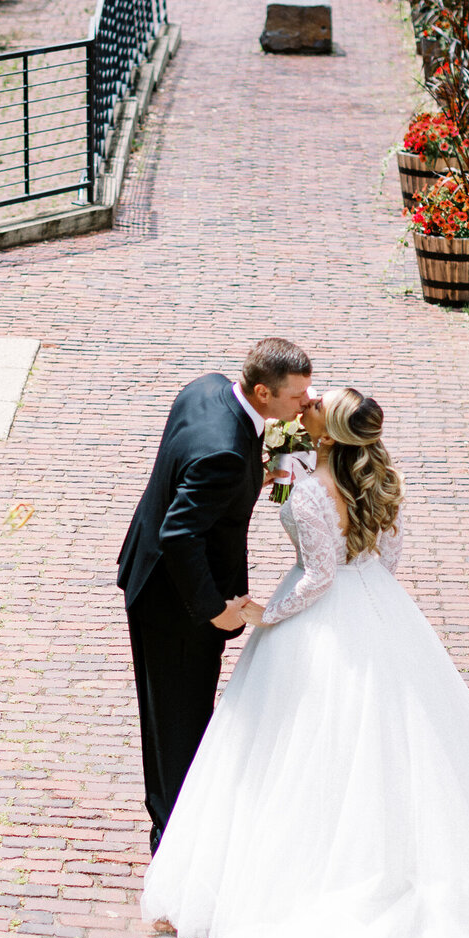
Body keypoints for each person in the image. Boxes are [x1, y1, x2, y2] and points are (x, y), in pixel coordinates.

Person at [143, 386, 469, 938]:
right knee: (393, 738)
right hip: (380, 606)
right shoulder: (377, 482)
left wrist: (270, 613)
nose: (308, 401)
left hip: (317, 616)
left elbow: (318, 577)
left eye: (317, 405)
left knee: (295, 744)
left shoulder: (315, 491)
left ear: (330, 432)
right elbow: (384, 560)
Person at [118, 338, 313, 855]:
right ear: (263, 391)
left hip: (151, 575)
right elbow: (180, 535)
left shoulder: (207, 389)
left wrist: (257, 476)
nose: (305, 404)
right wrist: (216, 610)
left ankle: (180, 828)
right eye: (297, 396)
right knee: (178, 723)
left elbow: (194, 475)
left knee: (176, 714)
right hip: (175, 603)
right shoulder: (224, 451)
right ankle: (172, 845)